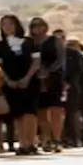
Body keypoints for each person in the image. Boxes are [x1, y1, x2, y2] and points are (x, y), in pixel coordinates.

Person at [0, 14, 40, 154]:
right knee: (18, 114)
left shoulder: (30, 42)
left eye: (10, 24)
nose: (7, 27)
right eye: (4, 24)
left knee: (30, 112)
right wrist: (8, 80)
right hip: (11, 82)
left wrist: (27, 78)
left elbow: (36, 62)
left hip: (30, 81)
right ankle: (22, 143)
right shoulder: (0, 46)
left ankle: (31, 142)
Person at [30, 17, 64, 151]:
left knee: (55, 110)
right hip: (36, 78)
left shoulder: (55, 40)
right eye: (34, 26)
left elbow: (61, 60)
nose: (37, 28)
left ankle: (57, 139)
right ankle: (46, 138)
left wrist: (49, 70)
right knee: (41, 111)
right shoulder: (31, 42)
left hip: (54, 78)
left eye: (40, 25)